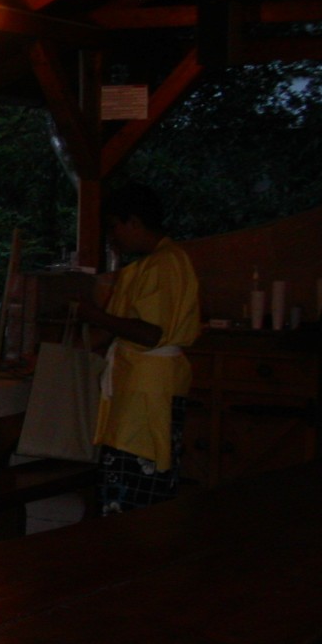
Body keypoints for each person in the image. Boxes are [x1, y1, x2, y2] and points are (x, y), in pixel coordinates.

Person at [76, 183, 200, 514]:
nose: (112, 237)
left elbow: (149, 332)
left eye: (114, 227)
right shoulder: (159, 263)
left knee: (134, 489)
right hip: (141, 386)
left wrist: (95, 315)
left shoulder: (164, 264)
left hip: (147, 392)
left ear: (133, 222)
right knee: (131, 481)